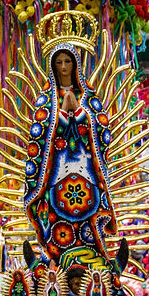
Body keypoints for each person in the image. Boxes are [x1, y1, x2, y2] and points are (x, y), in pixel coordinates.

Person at [24, 45, 118, 272]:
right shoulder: (46, 100)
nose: (64, 67)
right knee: (55, 219)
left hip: (86, 172)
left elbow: (102, 132)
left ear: (75, 65)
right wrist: (62, 117)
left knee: (88, 218)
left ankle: (91, 264)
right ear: (52, 67)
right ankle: (55, 264)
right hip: (56, 173)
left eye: (68, 61)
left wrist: (78, 112)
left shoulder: (89, 98)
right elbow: (39, 136)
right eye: (59, 62)